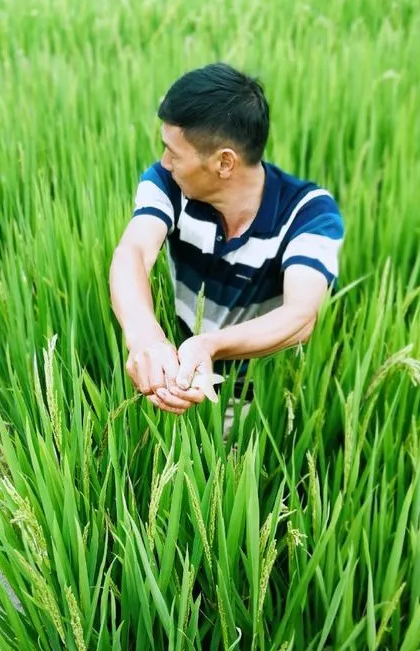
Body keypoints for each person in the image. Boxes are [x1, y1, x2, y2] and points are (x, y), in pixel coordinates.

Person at [109, 62, 344, 435]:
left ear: (224, 162)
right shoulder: (169, 185)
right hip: (180, 382)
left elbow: (301, 315)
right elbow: (133, 252)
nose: (164, 162)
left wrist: (210, 346)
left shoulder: (308, 212)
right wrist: (144, 336)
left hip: (272, 408)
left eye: (174, 152)